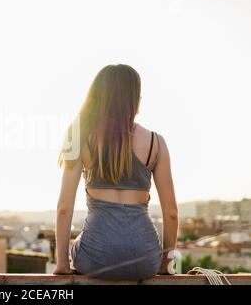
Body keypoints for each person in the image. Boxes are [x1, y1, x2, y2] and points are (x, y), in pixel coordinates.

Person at [53, 64, 178, 280]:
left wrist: (62, 263)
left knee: (79, 246)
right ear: (134, 98)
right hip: (145, 260)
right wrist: (165, 264)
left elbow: (64, 208)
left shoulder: (79, 136)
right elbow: (171, 213)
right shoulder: (156, 142)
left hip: (96, 259)